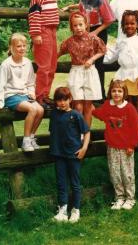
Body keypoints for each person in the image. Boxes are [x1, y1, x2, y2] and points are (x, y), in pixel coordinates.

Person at [0, 33, 44, 152]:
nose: (22, 48)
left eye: (24, 45)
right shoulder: (6, 65)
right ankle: (25, 141)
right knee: (33, 109)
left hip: (24, 95)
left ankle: (31, 137)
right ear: (11, 48)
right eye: (19, 46)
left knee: (41, 110)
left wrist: (31, 92)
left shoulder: (27, 63)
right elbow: (1, 85)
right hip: (11, 96)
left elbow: (30, 82)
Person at [92, 80, 138, 210]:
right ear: (110, 92)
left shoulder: (129, 108)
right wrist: (91, 110)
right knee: (115, 173)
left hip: (126, 148)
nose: (116, 93)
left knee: (127, 173)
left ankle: (130, 198)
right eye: (114, 91)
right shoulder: (108, 105)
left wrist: (132, 145)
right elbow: (101, 114)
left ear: (124, 93)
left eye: (119, 91)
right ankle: (119, 197)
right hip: (112, 146)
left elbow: (136, 128)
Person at [58, 12, 106, 127]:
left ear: (86, 24)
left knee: (88, 105)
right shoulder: (69, 42)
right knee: (78, 105)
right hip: (76, 72)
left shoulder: (93, 38)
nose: (78, 28)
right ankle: (78, 132)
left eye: (80, 24)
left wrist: (92, 59)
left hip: (90, 72)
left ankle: (86, 134)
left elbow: (102, 50)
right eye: (75, 26)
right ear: (71, 27)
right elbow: (59, 53)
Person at [49, 87, 90, 223]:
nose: (62, 103)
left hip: (74, 154)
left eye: (65, 100)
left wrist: (84, 148)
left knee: (75, 183)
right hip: (58, 154)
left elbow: (87, 131)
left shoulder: (76, 115)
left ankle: (76, 210)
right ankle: (63, 209)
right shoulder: (54, 114)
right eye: (59, 100)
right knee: (61, 183)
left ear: (70, 100)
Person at [103, 10, 138, 115]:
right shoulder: (121, 42)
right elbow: (113, 56)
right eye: (126, 24)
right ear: (123, 25)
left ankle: (135, 124)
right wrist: (102, 54)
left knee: (135, 100)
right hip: (123, 74)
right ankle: (125, 123)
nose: (129, 26)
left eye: (132, 23)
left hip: (136, 75)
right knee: (124, 100)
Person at [78, 0, 115, 99]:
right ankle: (88, 93)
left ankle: (100, 95)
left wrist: (96, 32)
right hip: (87, 31)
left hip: (99, 30)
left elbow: (109, 19)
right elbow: (82, 13)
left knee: (98, 63)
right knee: (87, 62)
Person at [28, 0, 60, 107]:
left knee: (53, 65)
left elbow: (49, 11)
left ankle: (46, 95)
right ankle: (39, 96)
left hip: (53, 31)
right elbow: (34, 14)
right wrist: (36, 34)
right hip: (43, 31)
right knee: (44, 66)